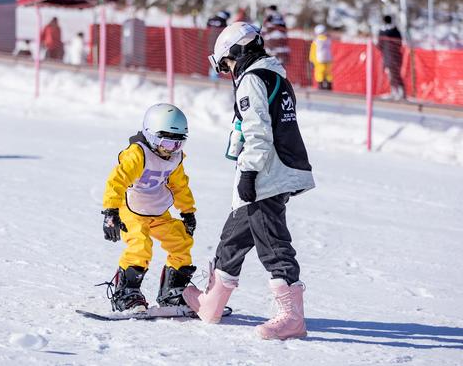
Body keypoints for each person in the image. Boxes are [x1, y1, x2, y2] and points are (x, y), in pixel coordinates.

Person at [183, 22, 315, 340]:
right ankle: (211, 303)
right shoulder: (274, 75)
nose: (228, 70)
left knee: (271, 241)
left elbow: (258, 130)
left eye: (226, 63)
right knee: (234, 236)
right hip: (276, 168)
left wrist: (249, 173)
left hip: (268, 174)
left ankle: (292, 317)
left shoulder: (252, 79)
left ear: (238, 53)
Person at [102, 103, 197, 313]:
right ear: (150, 135)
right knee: (140, 246)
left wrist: (188, 212)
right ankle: (126, 293)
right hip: (132, 210)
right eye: (165, 143)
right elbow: (116, 181)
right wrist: (111, 212)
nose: (170, 150)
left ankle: (173, 291)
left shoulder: (174, 158)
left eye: (177, 144)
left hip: (159, 211)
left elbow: (179, 185)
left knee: (181, 241)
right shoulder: (138, 154)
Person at [377, 15, 405, 100]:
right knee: (392, 74)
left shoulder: (385, 32)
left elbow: (380, 44)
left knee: (394, 74)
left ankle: (399, 92)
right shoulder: (394, 31)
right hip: (391, 56)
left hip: (392, 56)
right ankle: (396, 91)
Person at [309, 24, 333, 90]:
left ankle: (320, 86)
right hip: (328, 59)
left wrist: (311, 60)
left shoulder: (316, 41)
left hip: (319, 59)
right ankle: (329, 85)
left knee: (319, 72)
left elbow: (313, 52)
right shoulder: (328, 40)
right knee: (328, 73)